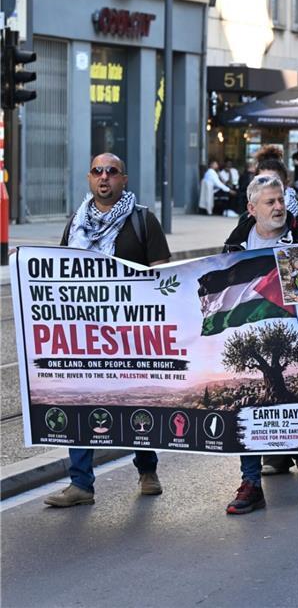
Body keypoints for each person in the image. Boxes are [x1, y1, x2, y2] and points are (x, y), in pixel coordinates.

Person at [44, 153, 171, 507]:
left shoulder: (143, 220)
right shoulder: (76, 222)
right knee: (80, 402)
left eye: (112, 172)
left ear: (124, 179)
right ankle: (81, 484)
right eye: (98, 172)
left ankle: (147, 469)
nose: (104, 178)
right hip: (84, 334)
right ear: (89, 178)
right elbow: (58, 273)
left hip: (130, 334)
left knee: (133, 402)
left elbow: (163, 275)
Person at [221, 174, 298, 514]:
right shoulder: (236, 245)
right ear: (251, 209)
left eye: (280, 200)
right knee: (246, 408)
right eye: (270, 202)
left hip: (297, 342)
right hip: (250, 338)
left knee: (293, 402)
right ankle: (251, 482)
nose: (279, 207)